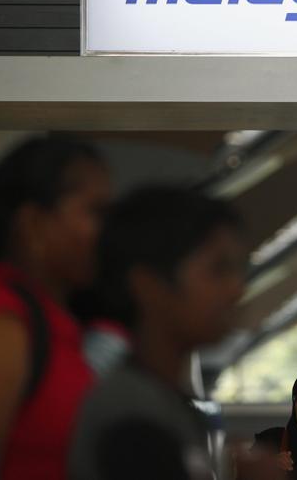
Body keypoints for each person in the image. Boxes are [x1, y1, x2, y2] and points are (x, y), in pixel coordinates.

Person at [68, 187, 247, 480]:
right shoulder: (131, 415)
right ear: (148, 285)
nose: (236, 289)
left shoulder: (167, 402)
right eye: (218, 270)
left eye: (237, 270)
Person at [0, 135, 111, 480]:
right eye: (95, 212)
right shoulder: (1, 319)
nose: (108, 233)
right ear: (33, 224)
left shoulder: (55, 322)